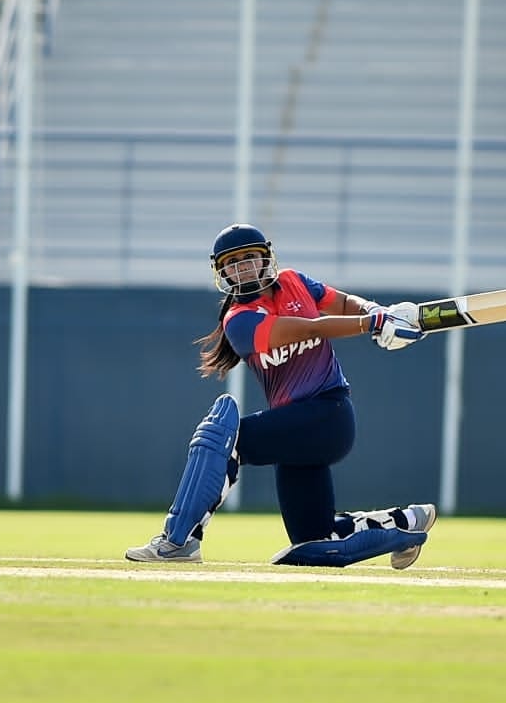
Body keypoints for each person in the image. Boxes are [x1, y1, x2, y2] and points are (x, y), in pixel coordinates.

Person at [126, 223, 438, 568]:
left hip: (327, 416)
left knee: (221, 439)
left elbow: (344, 302)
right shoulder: (239, 321)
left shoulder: (294, 282)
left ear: (265, 259)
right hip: (300, 433)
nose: (242, 266)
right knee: (315, 544)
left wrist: (376, 312)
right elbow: (309, 327)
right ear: (222, 271)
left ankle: (178, 540)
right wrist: (373, 323)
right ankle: (405, 523)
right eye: (233, 262)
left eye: (249, 257)